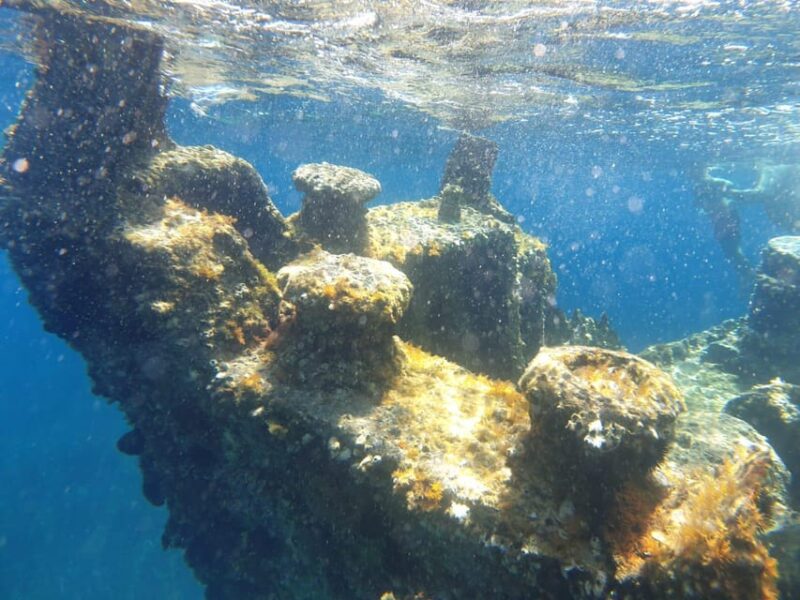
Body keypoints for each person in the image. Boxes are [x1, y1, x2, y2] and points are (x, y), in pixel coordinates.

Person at [695, 161, 800, 288]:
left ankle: (750, 276)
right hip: (786, 216)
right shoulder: (777, 172)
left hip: (729, 216)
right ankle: (749, 276)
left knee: (732, 251)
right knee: (731, 251)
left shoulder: (774, 168)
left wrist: (729, 194)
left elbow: (761, 193)